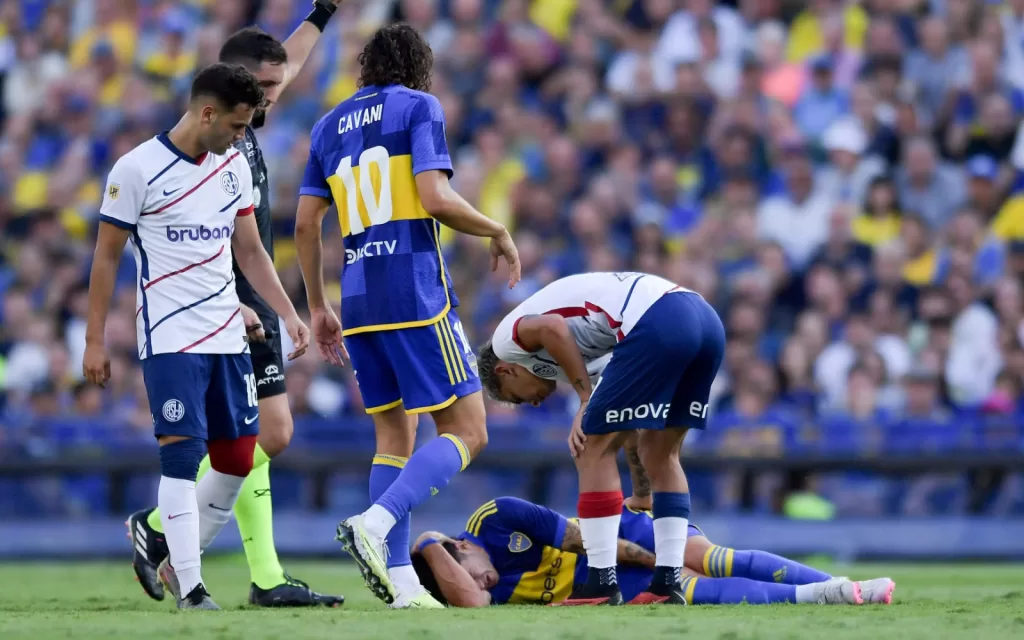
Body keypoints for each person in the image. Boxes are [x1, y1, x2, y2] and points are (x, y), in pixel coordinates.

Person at [294, 24, 521, 609]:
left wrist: (319, 307)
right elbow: (436, 197)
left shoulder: (326, 127)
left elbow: (303, 224)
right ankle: (376, 520)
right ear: (420, 66)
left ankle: (399, 586)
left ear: (367, 67)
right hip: (414, 293)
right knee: (468, 429)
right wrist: (495, 228)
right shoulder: (420, 106)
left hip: (359, 299)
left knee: (394, 436)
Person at [127, 3, 347, 608]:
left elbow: (292, 58)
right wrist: (232, 302)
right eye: (267, 87)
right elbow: (196, 230)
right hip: (221, 298)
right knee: (252, 435)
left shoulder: (248, 113)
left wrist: (323, 11)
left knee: (266, 436)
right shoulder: (213, 133)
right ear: (237, 82)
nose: (278, 96)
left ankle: (162, 532)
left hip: (252, 286)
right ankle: (258, 573)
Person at [83, 63, 310, 610]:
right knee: (182, 458)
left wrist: (286, 313)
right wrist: (94, 339)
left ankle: (168, 550)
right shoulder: (136, 169)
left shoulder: (231, 167)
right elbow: (106, 255)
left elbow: (250, 251)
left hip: (228, 334)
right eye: (236, 125)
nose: (241, 136)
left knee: (236, 459)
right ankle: (192, 587)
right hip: (170, 336)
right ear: (206, 112)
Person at [476, 271, 724, 605]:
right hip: (705, 321)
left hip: (658, 318)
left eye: (518, 397)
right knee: (661, 454)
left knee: (589, 447)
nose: (534, 402)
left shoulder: (507, 341)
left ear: (505, 370)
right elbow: (631, 424)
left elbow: (553, 328)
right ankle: (667, 583)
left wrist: (582, 399)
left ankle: (600, 582)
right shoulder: (587, 354)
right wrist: (641, 491)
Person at [409, 496, 895, 607]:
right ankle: (835, 594)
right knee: (701, 593)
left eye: (470, 571)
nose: (479, 584)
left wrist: (660, 560)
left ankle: (826, 580)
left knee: (714, 559)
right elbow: (469, 601)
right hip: (614, 582)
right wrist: (427, 544)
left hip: (622, 535)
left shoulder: (495, 519)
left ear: (464, 544)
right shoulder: (469, 588)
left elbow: (590, 541)